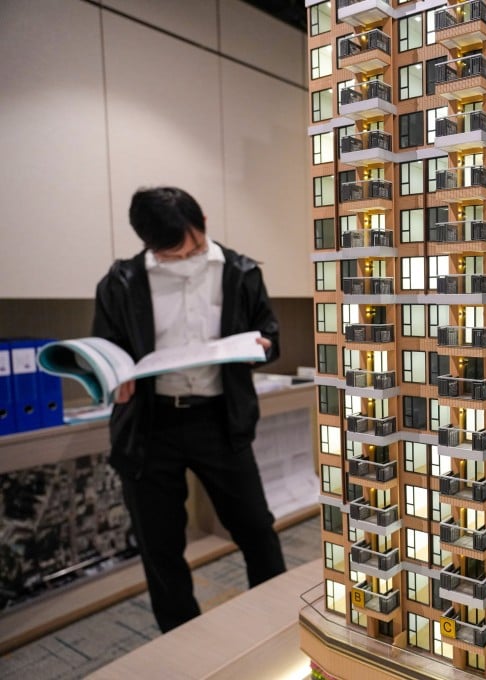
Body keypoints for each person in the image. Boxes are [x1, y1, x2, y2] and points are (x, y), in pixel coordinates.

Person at [92, 186, 286, 632]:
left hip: (219, 420)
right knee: (159, 546)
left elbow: (270, 331)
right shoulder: (120, 283)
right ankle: (181, 638)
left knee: (256, 528)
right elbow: (105, 347)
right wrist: (114, 378)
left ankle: (276, 626)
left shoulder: (238, 270)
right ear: (149, 243)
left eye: (196, 244)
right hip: (149, 426)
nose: (191, 257)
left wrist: (264, 345)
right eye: (176, 253)